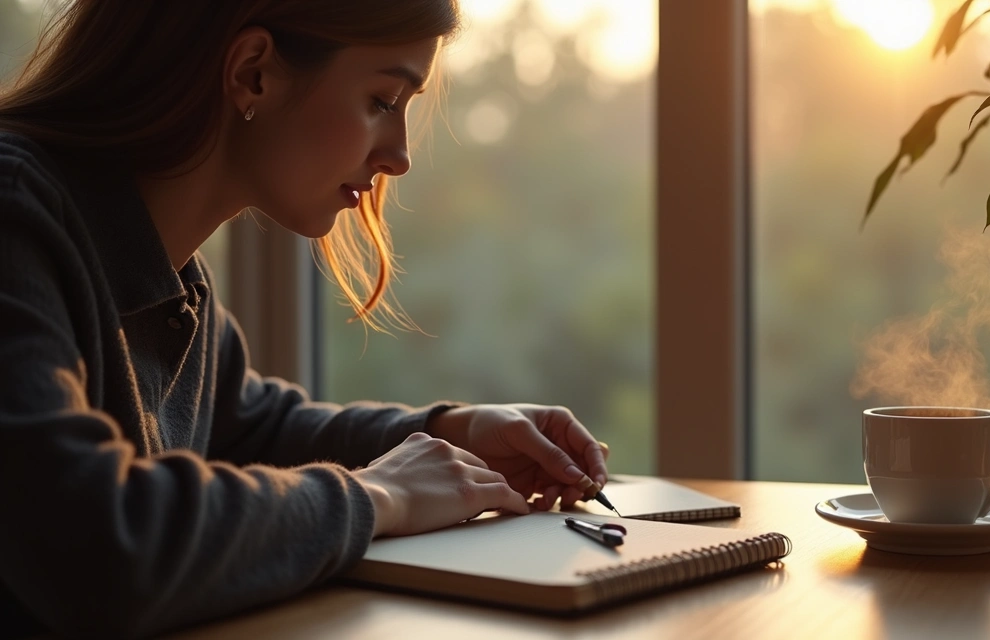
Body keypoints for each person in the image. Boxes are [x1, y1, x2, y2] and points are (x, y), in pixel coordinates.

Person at [0, 1, 610, 637]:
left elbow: (252, 428)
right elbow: (92, 545)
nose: (400, 157)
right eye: (383, 99)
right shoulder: (15, 216)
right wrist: (382, 495)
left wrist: (451, 432)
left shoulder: (172, 277)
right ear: (253, 73)